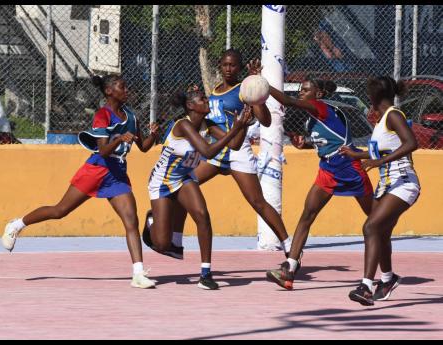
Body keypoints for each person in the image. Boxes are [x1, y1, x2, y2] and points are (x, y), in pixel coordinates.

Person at [1, 74, 159, 289]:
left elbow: (144, 147)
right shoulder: (102, 115)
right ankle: (17, 225)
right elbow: (103, 151)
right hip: (96, 169)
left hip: (118, 174)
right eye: (122, 87)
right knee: (60, 211)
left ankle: (138, 274)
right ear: (109, 91)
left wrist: (152, 135)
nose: (127, 90)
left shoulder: (131, 116)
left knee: (131, 220)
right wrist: (119, 139)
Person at [143, 49, 295, 267]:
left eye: (233, 65)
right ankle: (173, 240)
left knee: (257, 201)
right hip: (215, 150)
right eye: (225, 64)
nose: (228, 69)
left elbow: (266, 121)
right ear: (219, 66)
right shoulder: (213, 91)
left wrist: (256, 91)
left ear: (240, 67)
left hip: (236, 150)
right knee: (180, 186)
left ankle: (288, 244)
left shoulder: (244, 88)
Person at [248, 60, 373, 290]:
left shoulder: (320, 106)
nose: (302, 92)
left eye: (306, 90)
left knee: (376, 220)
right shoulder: (313, 117)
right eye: (302, 90)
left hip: (348, 166)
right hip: (327, 168)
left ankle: (385, 272)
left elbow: (286, 100)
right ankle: (289, 269)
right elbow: (327, 140)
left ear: (319, 93)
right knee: (307, 215)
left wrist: (261, 82)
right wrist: (304, 143)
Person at [144, 85, 252, 290]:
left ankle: (205, 274)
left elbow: (235, 145)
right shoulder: (183, 125)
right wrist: (235, 128)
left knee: (203, 215)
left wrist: (243, 124)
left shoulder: (208, 124)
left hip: (184, 177)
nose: (207, 101)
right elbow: (208, 151)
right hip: (162, 181)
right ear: (190, 106)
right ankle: (152, 221)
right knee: (162, 245)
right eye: (202, 99)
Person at [341, 76, 420, 306]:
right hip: (387, 184)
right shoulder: (382, 121)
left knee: (371, 227)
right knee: (381, 233)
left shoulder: (394, 115)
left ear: (373, 97)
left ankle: (366, 285)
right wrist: (358, 155)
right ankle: (387, 279)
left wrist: (377, 163)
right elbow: (381, 151)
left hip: (404, 182)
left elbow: (411, 143)